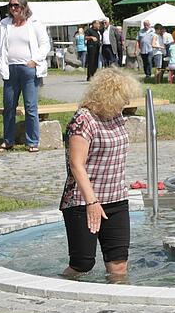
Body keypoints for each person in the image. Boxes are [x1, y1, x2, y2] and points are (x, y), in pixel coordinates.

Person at [60, 67, 142, 278]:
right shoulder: (83, 120)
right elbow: (76, 165)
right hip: (83, 201)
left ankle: (119, 305)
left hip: (116, 198)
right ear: (109, 96)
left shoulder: (117, 117)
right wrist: (92, 203)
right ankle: (59, 286)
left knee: (118, 265)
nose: (126, 103)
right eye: (123, 98)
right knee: (82, 263)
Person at [0, 0, 51, 153]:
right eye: (10, 6)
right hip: (10, 68)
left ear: (24, 7)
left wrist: (35, 60)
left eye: (16, 5)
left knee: (30, 106)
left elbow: (45, 44)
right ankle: (8, 140)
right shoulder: (5, 24)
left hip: (28, 68)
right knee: (9, 106)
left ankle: (32, 141)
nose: (13, 9)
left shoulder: (34, 23)